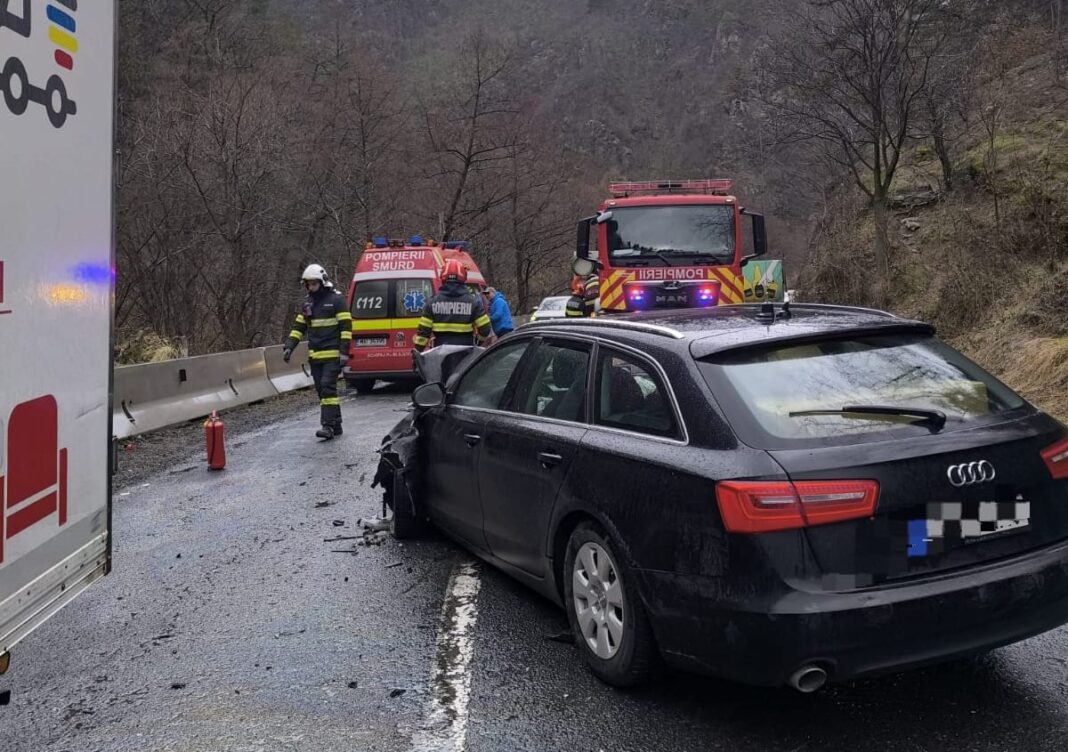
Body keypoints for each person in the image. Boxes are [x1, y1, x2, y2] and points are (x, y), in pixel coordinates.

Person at [282, 264, 352, 440]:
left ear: (322, 282)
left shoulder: (337, 300)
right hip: (315, 356)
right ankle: (336, 424)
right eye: (308, 284)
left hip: (333, 355)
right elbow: (299, 327)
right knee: (322, 391)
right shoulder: (308, 303)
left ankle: (327, 426)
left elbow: (346, 328)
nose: (311, 287)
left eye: (314, 283)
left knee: (328, 388)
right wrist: (289, 346)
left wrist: (344, 353)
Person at [413, 260, 493, 352]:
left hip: (441, 356)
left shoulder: (432, 303)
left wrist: (417, 353)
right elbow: (485, 328)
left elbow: (423, 334)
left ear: (443, 278)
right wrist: (477, 342)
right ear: (463, 278)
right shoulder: (472, 302)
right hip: (465, 355)